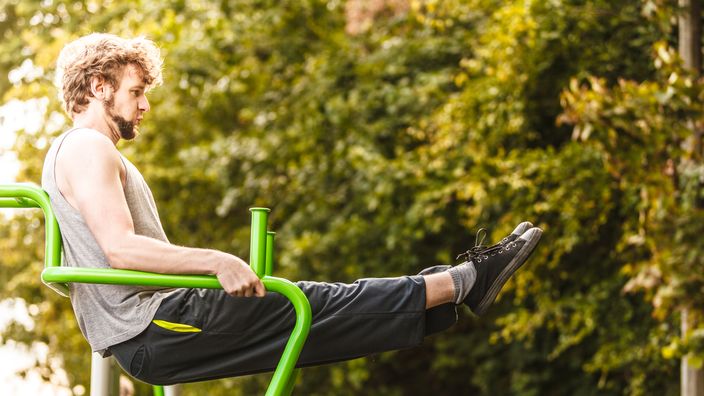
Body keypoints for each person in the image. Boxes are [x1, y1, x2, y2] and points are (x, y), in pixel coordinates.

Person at [41, 33, 543, 386]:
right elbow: (119, 248)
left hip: (155, 331)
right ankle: (461, 282)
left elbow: (81, 263)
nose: (144, 106)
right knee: (315, 304)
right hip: (159, 323)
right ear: (99, 86)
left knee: (320, 323)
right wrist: (217, 260)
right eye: (136, 92)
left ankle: (455, 288)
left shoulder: (72, 153)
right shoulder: (89, 147)